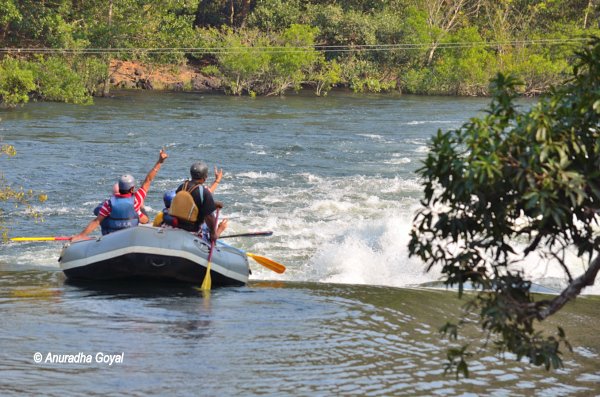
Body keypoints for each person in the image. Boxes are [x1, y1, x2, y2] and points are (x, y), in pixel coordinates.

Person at [71, 149, 168, 241]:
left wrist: (81, 235)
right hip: (131, 237)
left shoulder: (109, 203)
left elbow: (96, 221)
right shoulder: (137, 199)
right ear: (132, 188)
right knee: (142, 212)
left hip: (112, 238)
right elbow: (148, 180)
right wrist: (160, 161)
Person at [166, 161, 226, 243]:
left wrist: (213, 204)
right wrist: (214, 233)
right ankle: (217, 232)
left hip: (177, 225)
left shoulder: (182, 187)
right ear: (205, 177)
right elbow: (209, 217)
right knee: (211, 228)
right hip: (192, 230)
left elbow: (191, 202)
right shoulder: (203, 192)